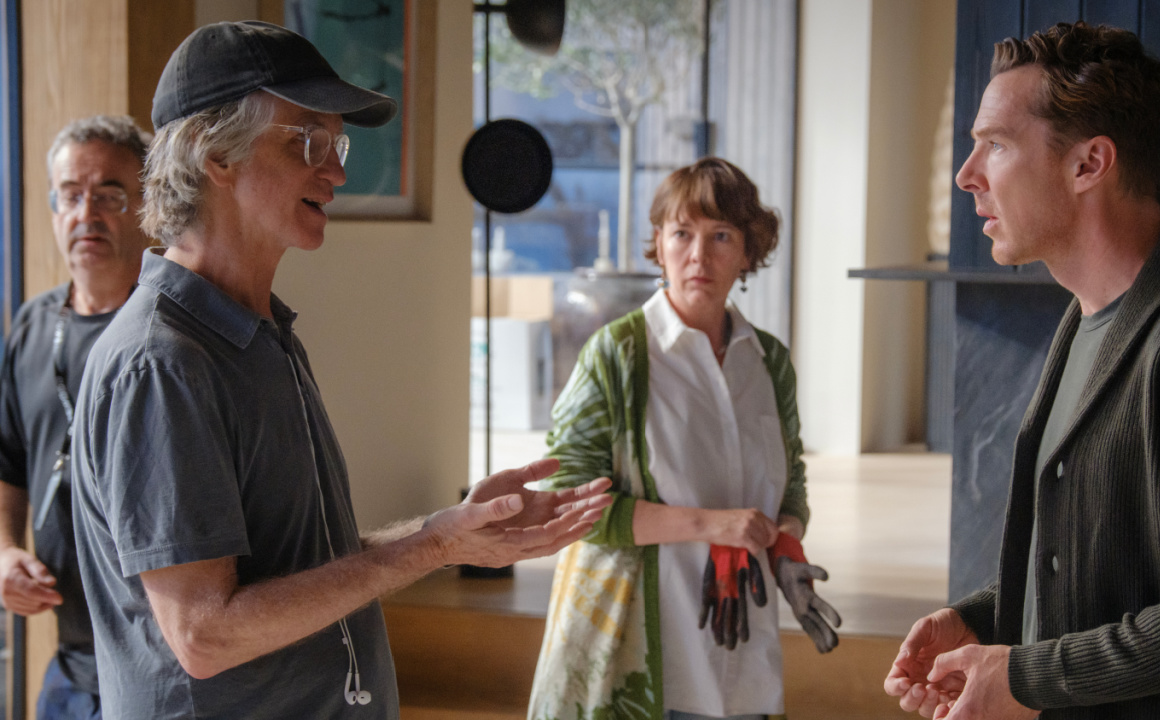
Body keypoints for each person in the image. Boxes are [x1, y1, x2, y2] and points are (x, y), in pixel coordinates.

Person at [69, 21, 610, 720]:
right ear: (215, 156)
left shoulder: (259, 336)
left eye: (337, 143)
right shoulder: (164, 363)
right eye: (306, 142)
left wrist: (447, 534)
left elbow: (300, 567)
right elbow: (205, 634)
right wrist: (432, 546)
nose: (338, 171)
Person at [884, 21, 1160, 720]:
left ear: (1088, 164)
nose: (966, 174)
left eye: (996, 145)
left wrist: (1027, 677)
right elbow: (1107, 562)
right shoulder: (1084, 317)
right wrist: (987, 618)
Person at [528, 158, 840, 720]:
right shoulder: (617, 355)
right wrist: (712, 525)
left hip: (745, 651)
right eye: (682, 234)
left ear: (749, 253)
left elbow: (789, 481)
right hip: (648, 653)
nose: (699, 255)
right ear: (658, 243)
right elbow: (570, 502)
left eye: (721, 236)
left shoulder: (769, 361)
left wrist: (785, 544)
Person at [0, 114, 152, 719]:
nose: (86, 212)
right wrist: (6, 550)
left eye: (110, 194)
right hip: (68, 667)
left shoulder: (165, 338)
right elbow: (8, 464)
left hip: (158, 665)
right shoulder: (32, 326)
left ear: (147, 206)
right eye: (70, 194)